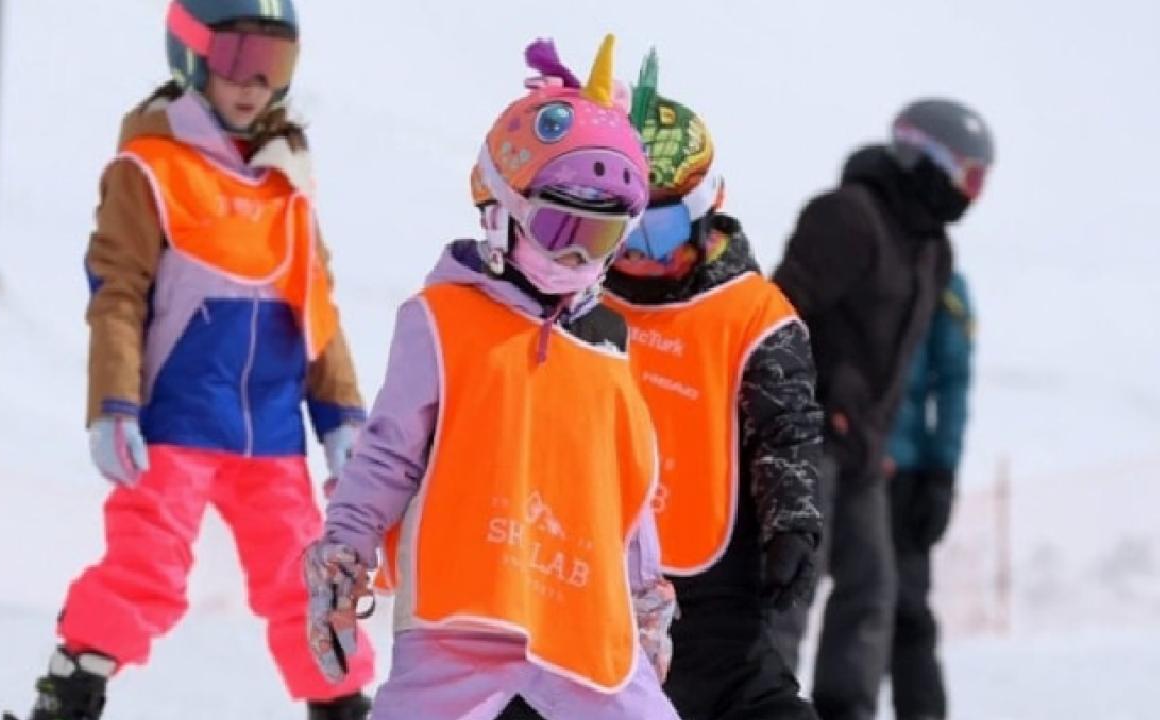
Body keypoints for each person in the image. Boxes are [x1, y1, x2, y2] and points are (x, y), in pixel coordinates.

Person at [8, 2, 374, 718]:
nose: (254, 83)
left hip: (272, 428)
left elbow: (316, 303)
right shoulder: (151, 168)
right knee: (148, 567)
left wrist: (341, 416)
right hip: (178, 418)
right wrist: (114, 404)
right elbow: (118, 293)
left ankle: (340, 705)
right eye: (237, 58)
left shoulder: (287, 180)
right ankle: (72, 687)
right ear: (192, 55)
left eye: (273, 64)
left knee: (307, 579)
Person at [301, 36, 681, 720]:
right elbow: (387, 454)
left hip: (580, 616)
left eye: (598, 238)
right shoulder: (441, 319)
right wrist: (345, 553)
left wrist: (645, 594)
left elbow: (626, 488)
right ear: (502, 206)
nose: (575, 254)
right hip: (461, 614)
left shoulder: (606, 345)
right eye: (560, 226)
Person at [601, 49, 824, 720]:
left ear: (704, 211)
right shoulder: (578, 296)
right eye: (621, 225)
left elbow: (786, 431)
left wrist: (791, 523)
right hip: (589, 576)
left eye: (660, 227)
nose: (638, 252)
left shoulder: (753, 314)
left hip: (711, 587)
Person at [771, 98, 994, 720]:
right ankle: (762, 707)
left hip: (867, 448)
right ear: (926, 158)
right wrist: (831, 389)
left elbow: (908, 364)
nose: (971, 196)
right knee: (792, 582)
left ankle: (846, 710)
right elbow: (777, 317)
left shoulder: (932, 251)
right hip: (806, 432)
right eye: (969, 177)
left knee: (873, 589)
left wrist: (898, 443)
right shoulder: (847, 215)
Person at [884, 271, 975, 720]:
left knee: (906, 609)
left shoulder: (939, 276)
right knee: (848, 613)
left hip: (905, 474)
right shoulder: (843, 254)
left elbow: (953, 380)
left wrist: (942, 470)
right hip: (833, 460)